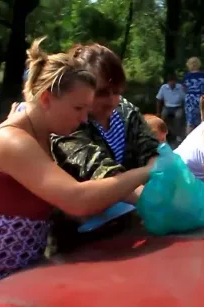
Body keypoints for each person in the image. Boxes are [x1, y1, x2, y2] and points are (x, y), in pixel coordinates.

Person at [0, 38, 153, 307]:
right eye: (78, 108)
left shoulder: (44, 137)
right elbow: (77, 198)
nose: (84, 119)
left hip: (20, 276)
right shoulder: (11, 140)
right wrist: (146, 172)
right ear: (46, 98)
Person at [49, 43, 160, 253]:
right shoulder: (69, 123)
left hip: (130, 230)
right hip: (79, 243)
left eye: (117, 91)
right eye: (101, 93)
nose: (112, 101)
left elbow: (152, 150)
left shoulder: (125, 111)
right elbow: (100, 171)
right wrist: (156, 203)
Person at [184, 57, 204, 134]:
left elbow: (184, 88)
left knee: (190, 122)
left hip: (190, 99)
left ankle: (188, 141)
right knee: (203, 119)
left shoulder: (186, 76)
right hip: (202, 98)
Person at [156, 73, 185, 143]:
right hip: (167, 107)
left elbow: (185, 98)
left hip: (177, 107)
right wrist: (158, 112)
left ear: (176, 81)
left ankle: (178, 135)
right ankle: (163, 135)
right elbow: (159, 99)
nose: (172, 83)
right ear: (168, 82)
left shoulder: (180, 87)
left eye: (173, 81)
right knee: (163, 116)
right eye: (170, 81)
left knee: (179, 116)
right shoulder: (164, 88)